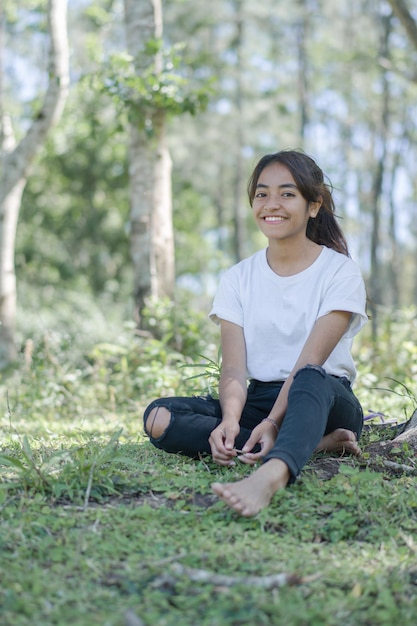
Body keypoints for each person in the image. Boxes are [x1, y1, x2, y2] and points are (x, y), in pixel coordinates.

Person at [143, 149, 368, 517]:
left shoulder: (340, 272)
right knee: (159, 417)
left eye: (287, 193)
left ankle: (271, 474)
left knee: (310, 377)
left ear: (314, 205)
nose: (271, 204)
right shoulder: (237, 278)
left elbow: (308, 365)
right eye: (262, 194)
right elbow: (233, 369)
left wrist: (270, 422)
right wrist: (231, 420)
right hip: (260, 398)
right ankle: (315, 445)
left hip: (324, 396)